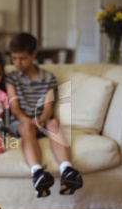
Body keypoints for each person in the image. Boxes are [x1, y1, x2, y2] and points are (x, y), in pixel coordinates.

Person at [5, 32, 83, 197]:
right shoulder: (11, 78)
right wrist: (30, 121)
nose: (18, 63)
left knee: (54, 122)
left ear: (34, 54)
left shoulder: (48, 78)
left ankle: (67, 170)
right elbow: (15, 109)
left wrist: (42, 120)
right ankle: (38, 173)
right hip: (21, 122)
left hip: (42, 120)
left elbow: (48, 107)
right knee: (27, 127)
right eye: (14, 58)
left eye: (23, 58)